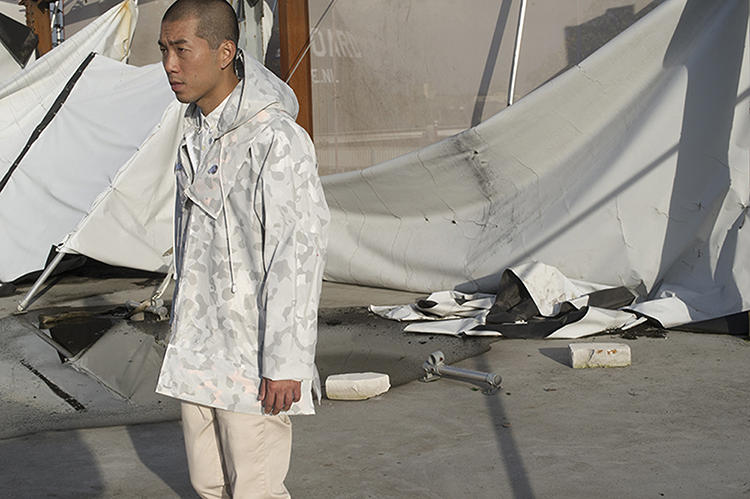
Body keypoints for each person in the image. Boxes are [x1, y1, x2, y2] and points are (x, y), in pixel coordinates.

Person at [154, 1, 329, 497]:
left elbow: (297, 252)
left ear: (225, 52)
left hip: (252, 357)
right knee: (208, 484)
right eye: (164, 50)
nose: (169, 65)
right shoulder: (195, 131)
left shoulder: (275, 139)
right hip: (199, 350)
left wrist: (285, 362)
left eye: (182, 50)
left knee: (256, 488)